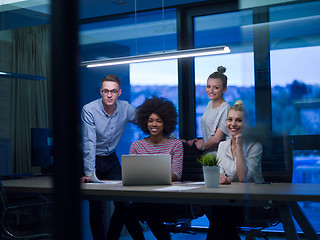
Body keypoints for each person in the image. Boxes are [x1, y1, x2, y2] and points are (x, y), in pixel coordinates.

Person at [108, 96, 184, 240]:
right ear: (144, 122)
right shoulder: (136, 146)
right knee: (124, 209)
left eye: (158, 120)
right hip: (144, 198)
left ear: (166, 123)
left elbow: (176, 174)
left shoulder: (175, 145)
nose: (153, 124)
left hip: (168, 198)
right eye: (150, 120)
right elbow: (132, 174)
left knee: (132, 211)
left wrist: (153, 176)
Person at [80, 74, 136, 240]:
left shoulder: (126, 108)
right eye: (106, 91)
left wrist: (169, 136)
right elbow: (89, 142)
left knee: (123, 202)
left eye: (113, 91)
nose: (109, 95)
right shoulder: (89, 110)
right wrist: (89, 173)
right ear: (101, 92)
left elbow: (149, 122)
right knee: (96, 206)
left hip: (111, 160)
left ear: (119, 92)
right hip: (91, 160)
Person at [206, 100, 264, 240]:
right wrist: (219, 176)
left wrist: (238, 147)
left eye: (238, 120)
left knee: (219, 214)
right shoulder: (222, 146)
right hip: (229, 200)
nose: (233, 124)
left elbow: (243, 179)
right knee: (217, 211)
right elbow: (220, 172)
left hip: (252, 201)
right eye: (230, 119)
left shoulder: (255, 146)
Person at [186, 66, 230, 154]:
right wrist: (199, 141)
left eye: (216, 87)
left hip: (220, 156)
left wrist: (202, 146)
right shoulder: (210, 104)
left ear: (224, 89)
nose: (211, 90)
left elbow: (217, 139)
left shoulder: (226, 108)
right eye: (208, 86)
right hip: (208, 154)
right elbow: (210, 130)